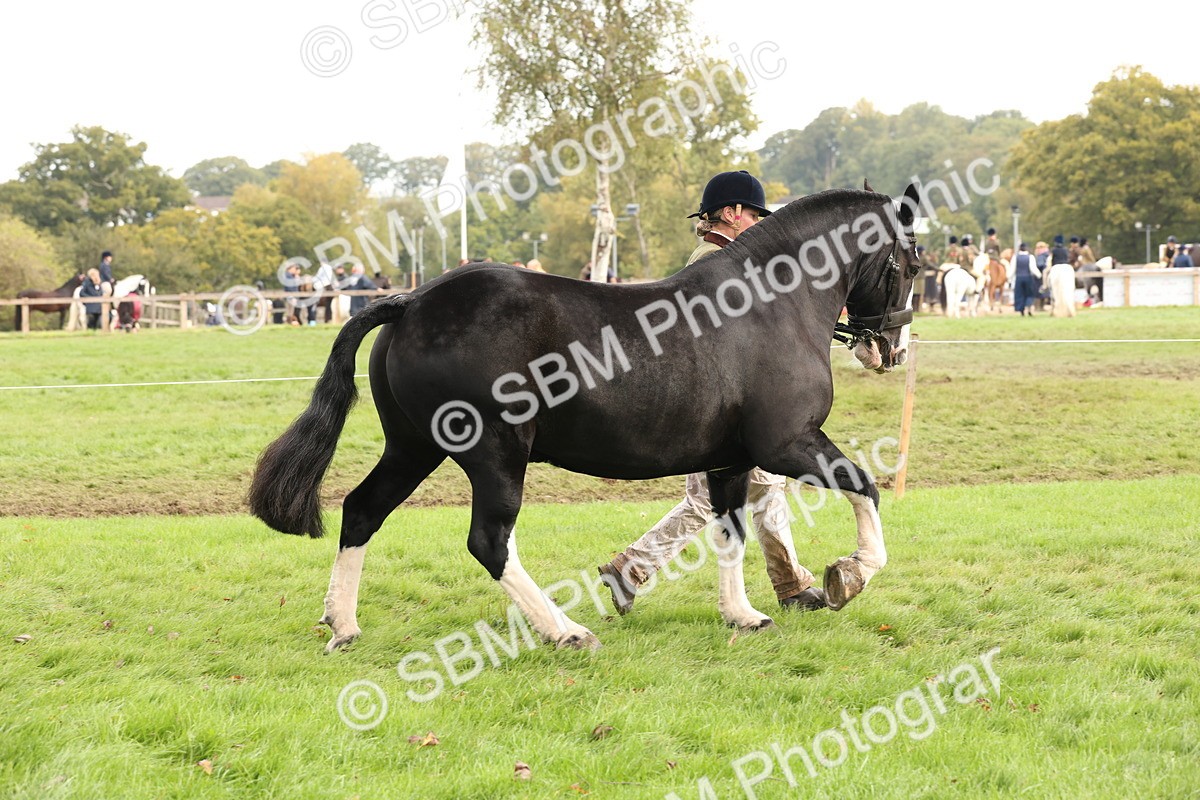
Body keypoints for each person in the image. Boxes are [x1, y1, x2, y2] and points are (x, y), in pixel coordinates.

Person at [597, 169, 825, 615]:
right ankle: (633, 566)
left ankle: (791, 584)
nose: (761, 223)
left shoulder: (726, 259)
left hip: (728, 402)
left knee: (767, 488)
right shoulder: (711, 262)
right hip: (712, 408)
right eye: (755, 214)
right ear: (731, 213)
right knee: (709, 500)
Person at [1007, 243, 1041, 316]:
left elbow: (1012, 269)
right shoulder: (1030, 257)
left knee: (1020, 294)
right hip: (1028, 277)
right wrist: (1039, 275)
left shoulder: (1015, 257)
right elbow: (1033, 268)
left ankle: (1021, 311)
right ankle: (1029, 309)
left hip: (1019, 278)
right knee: (1029, 294)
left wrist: (1008, 277)